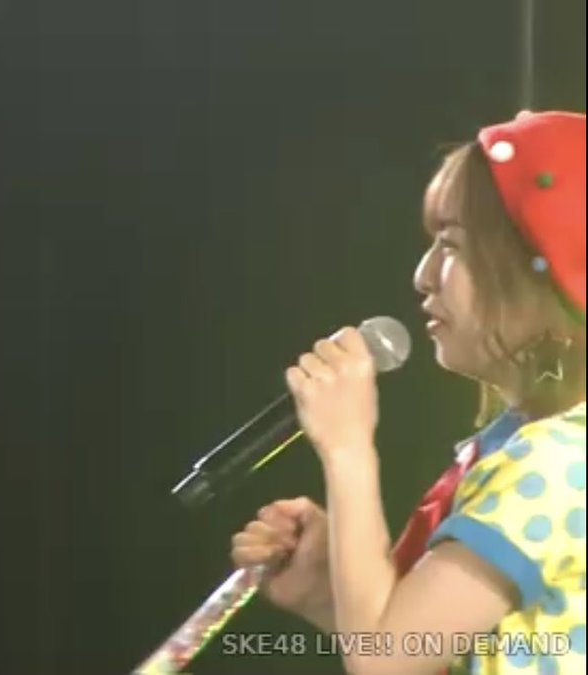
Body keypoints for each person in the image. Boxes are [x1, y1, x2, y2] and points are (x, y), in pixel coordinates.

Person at [231, 110, 585, 674]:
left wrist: (347, 449)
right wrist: (330, 593)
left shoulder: (554, 464)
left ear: (542, 269)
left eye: (453, 246)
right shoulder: (550, 453)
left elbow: (386, 663)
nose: (423, 274)